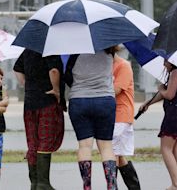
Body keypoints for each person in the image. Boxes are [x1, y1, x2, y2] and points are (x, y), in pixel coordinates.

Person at [13, 49, 65, 190]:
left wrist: (28, 85)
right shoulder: (50, 49)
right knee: (45, 140)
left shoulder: (28, 50)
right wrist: (56, 89)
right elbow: (53, 71)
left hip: (30, 102)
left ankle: (34, 183)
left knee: (33, 142)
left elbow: (17, 69)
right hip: (46, 101)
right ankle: (43, 183)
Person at [66, 49, 117, 190]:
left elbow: (67, 75)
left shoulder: (76, 51)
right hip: (105, 100)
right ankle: (112, 186)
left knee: (84, 145)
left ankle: (87, 187)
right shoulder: (110, 51)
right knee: (106, 146)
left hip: (79, 100)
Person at [139, 60, 177, 190]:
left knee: (166, 149)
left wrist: (161, 88)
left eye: (165, 61)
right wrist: (148, 103)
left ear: (172, 61)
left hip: (174, 116)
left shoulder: (175, 73)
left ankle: (176, 184)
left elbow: (168, 94)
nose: (163, 64)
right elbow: (166, 94)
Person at [112, 48, 141, 189]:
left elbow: (116, 90)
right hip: (113, 116)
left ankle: (112, 187)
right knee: (120, 156)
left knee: (111, 155)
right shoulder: (106, 66)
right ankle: (135, 187)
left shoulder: (123, 65)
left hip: (121, 116)